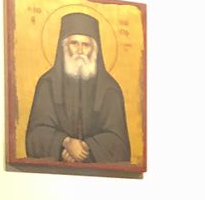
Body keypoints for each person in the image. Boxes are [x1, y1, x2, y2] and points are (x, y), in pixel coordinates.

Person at [24, 12, 131, 165]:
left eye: (86, 45)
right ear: (64, 46)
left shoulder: (110, 89)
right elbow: (35, 135)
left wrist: (85, 148)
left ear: (95, 49)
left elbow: (119, 142)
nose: (80, 50)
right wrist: (65, 142)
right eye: (74, 43)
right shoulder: (47, 84)